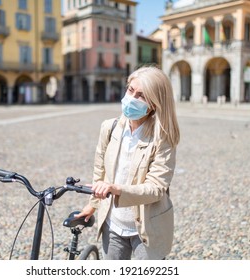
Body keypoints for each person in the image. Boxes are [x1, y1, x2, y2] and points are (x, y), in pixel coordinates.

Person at [75, 66, 180, 260]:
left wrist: (117, 189)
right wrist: (92, 205)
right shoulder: (109, 127)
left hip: (148, 228)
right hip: (112, 224)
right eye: (131, 90)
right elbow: (100, 172)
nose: (132, 98)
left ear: (154, 103)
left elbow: (156, 188)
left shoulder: (163, 137)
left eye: (141, 95)